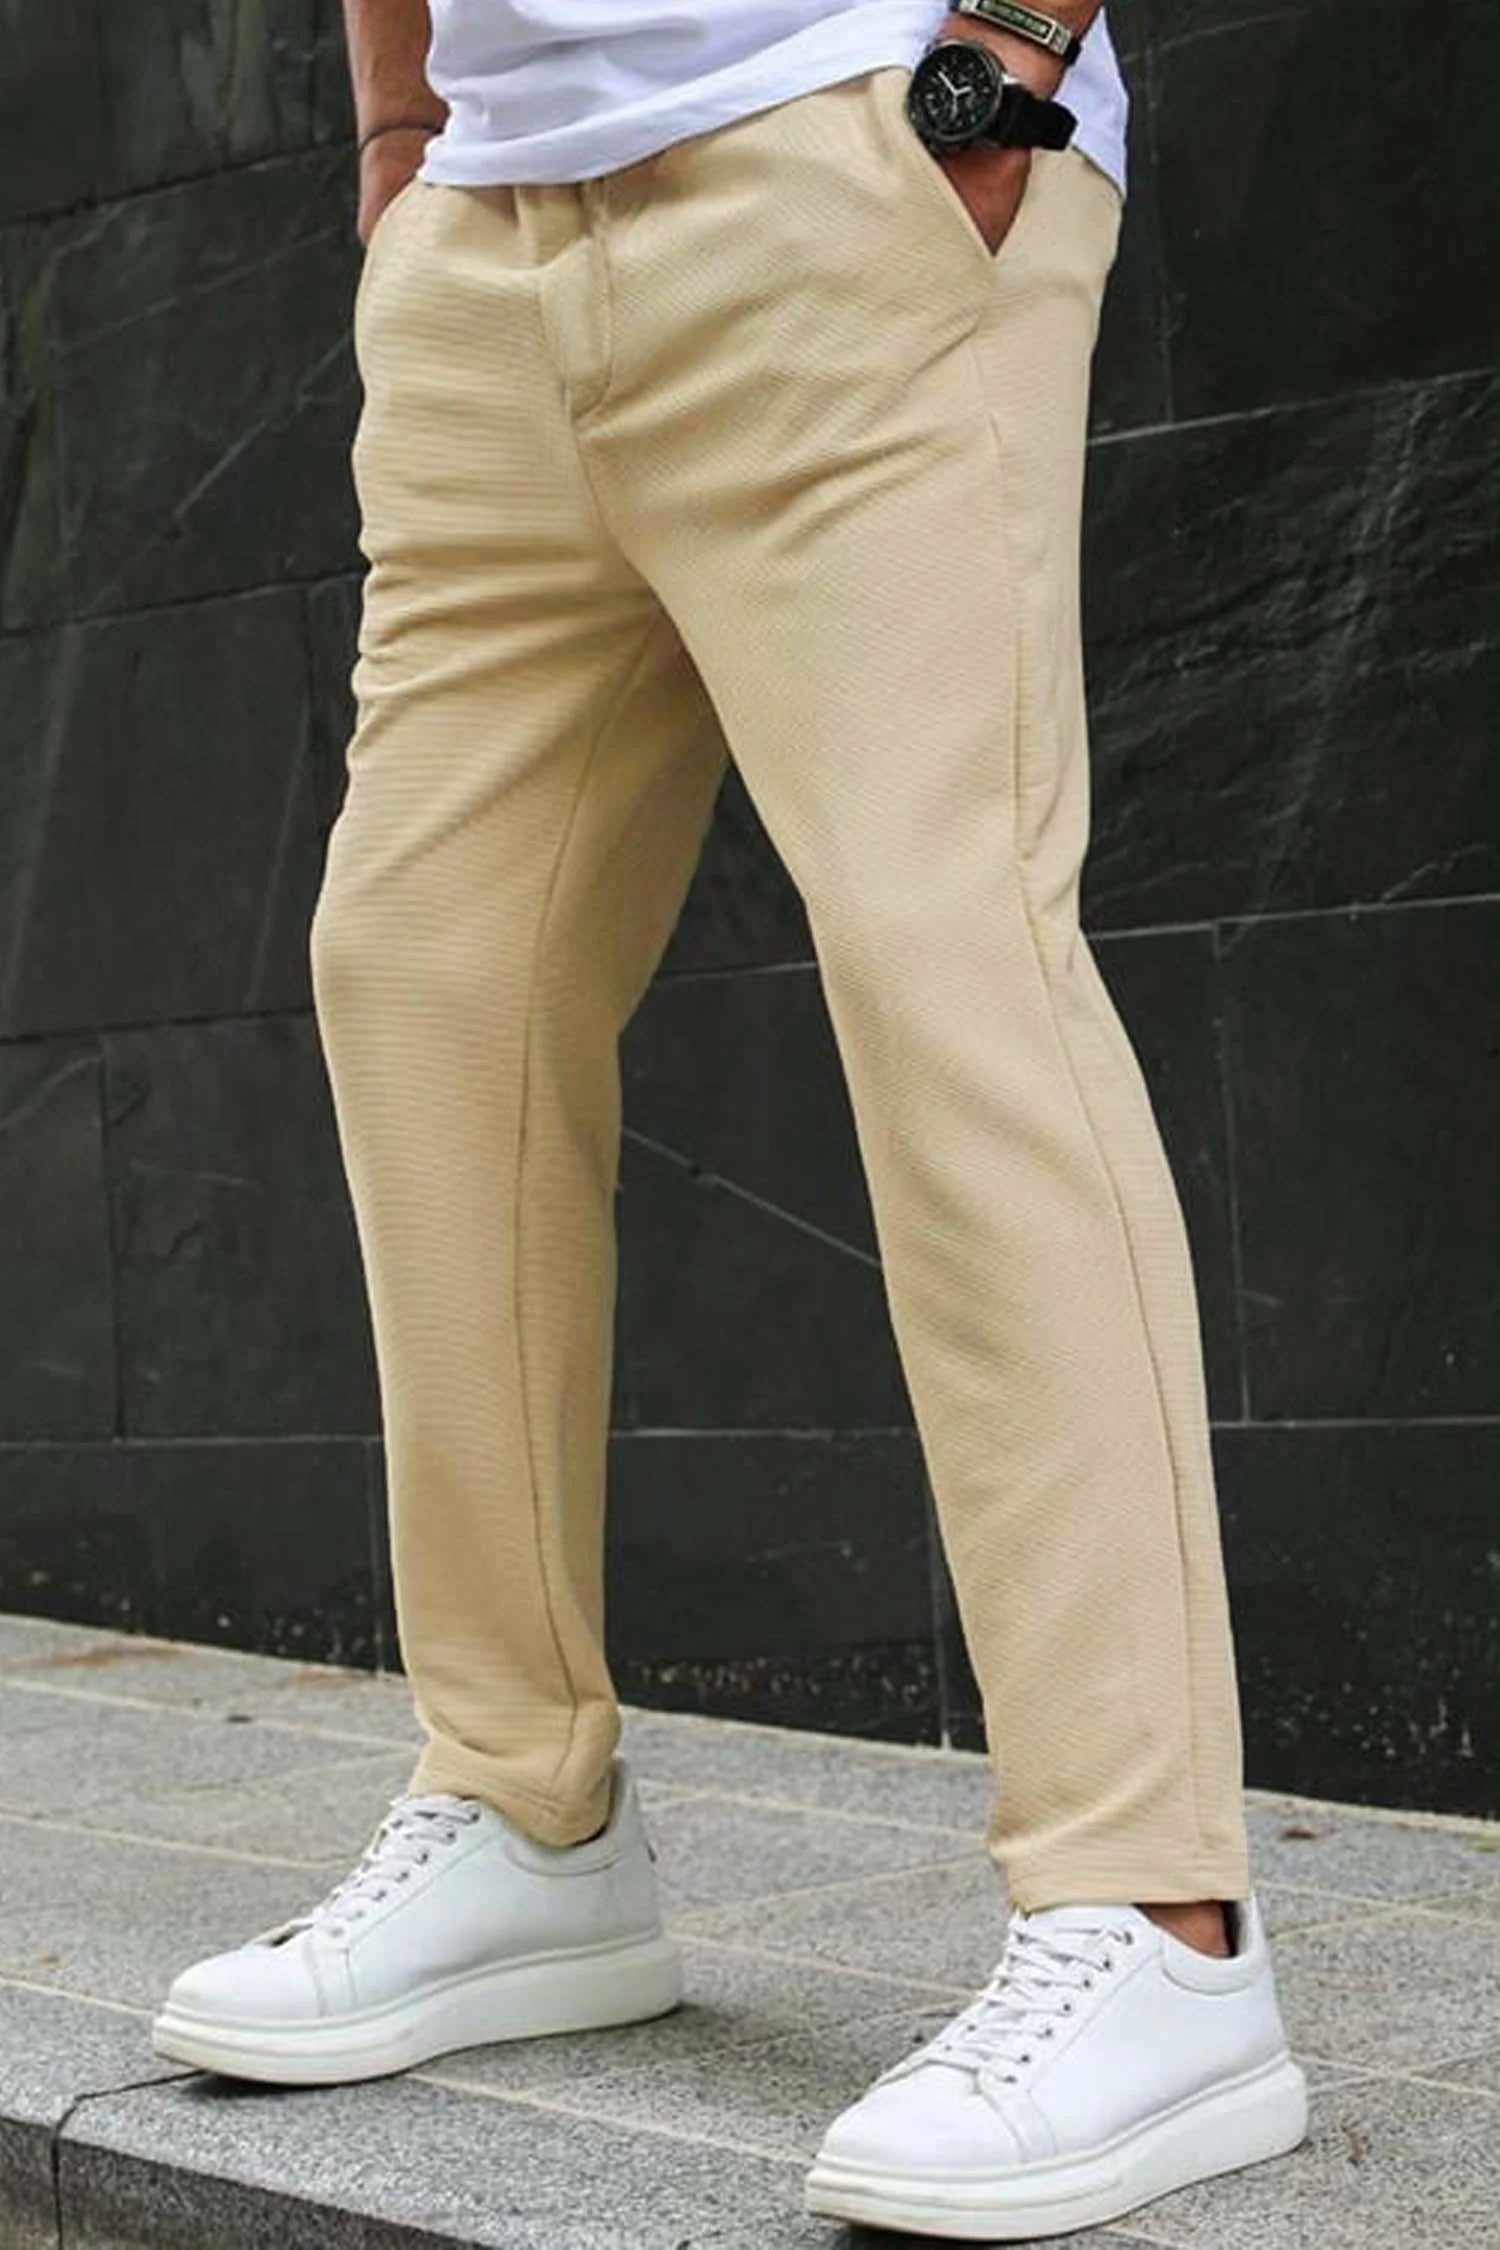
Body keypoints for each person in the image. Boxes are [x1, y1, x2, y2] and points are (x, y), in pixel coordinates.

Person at [151, 0, 1309, 2234]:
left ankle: (1156, 1916)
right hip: (490, 235)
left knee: (948, 961)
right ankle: (524, 1808)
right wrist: (400, 138)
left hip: (855, 154)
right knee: (424, 976)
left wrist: (1003, 63)